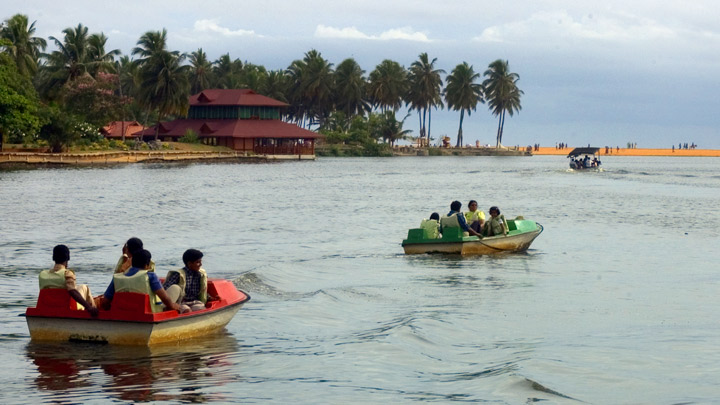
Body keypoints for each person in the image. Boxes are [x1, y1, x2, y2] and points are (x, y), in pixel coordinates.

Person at [100, 249, 181, 313]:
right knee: (176, 288)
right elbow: (165, 298)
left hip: (123, 312)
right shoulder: (150, 276)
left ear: (132, 263)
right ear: (147, 265)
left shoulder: (117, 277)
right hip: (150, 312)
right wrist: (172, 306)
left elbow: (105, 302)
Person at [39, 245, 98, 317]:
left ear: (53, 258)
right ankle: (94, 310)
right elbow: (72, 291)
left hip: (47, 306)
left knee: (79, 287)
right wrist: (88, 307)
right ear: (67, 259)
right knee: (84, 287)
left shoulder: (43, 274)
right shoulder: (67, 273)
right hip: (65, 307)